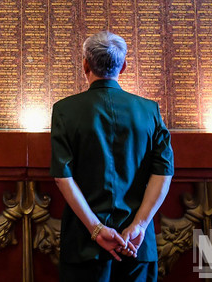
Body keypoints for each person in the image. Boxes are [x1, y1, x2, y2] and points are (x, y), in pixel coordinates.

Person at [50, 31, 174, 281]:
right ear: (124, 66)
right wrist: (138, 226)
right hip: (136, 245)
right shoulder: (149, 110)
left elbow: (63, 177)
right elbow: (163, 173)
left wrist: (96, 229)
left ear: (85, 64)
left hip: (84, 243)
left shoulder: (64, 111)